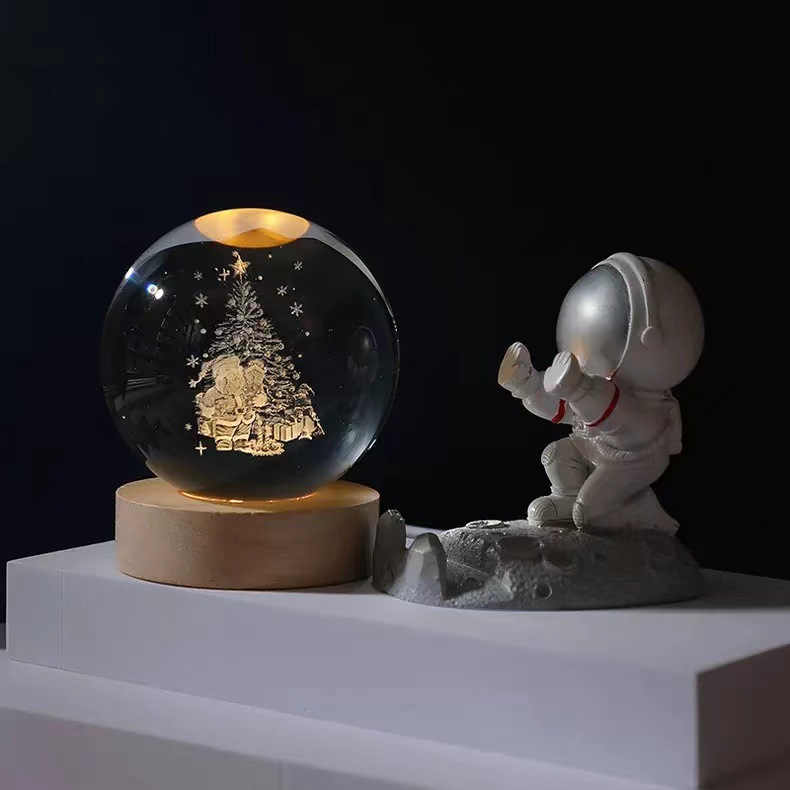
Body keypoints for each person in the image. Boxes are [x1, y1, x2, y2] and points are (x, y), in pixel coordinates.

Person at [498, 253, 703, 533]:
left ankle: (637, 516)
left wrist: (580, 389)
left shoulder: (651, 406)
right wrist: (530, 387)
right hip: (595, 445)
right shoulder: (599, 384)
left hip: (633, 462)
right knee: (555, 455)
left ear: (651, 338)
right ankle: (569, 497)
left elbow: (618, 418)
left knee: (588, 515)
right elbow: (564, 408)